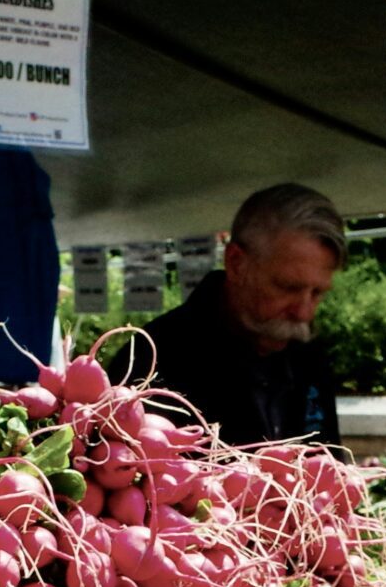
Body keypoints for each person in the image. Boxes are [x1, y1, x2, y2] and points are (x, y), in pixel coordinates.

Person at [114, 183, 344, 449]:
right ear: (236, 263)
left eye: (318, 293)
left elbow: (332, 462)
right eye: (287, 287)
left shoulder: (308, 354)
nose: (304, 312)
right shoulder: (151, 360)